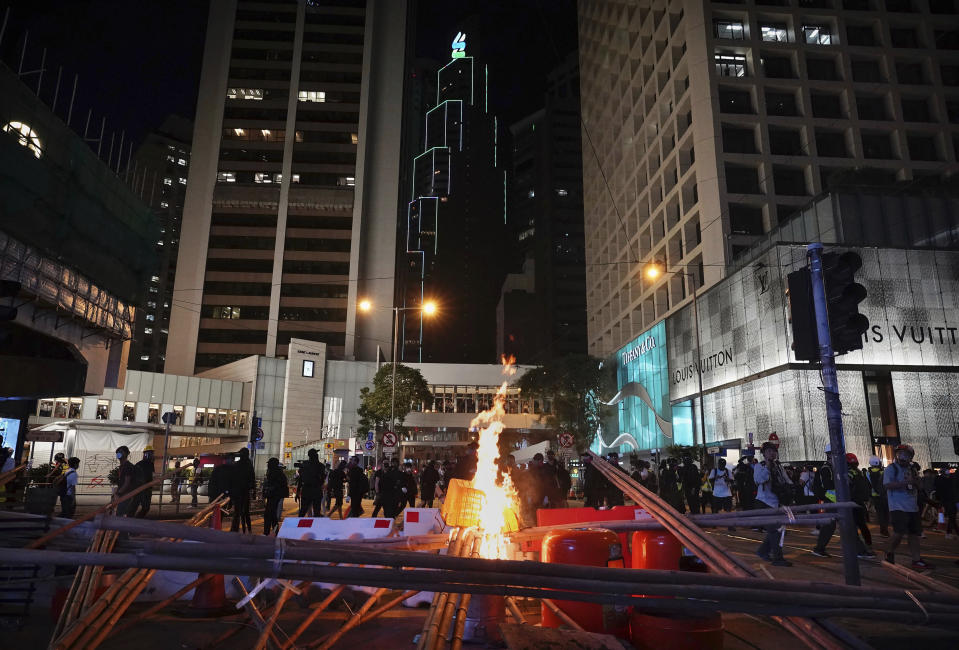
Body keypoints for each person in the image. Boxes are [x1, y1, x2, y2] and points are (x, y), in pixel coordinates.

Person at [884, 444, 933, 568]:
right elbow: (887, 485)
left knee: (913, 534)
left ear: (910, 457)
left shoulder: (912, 470)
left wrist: (917, 482)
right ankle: (889, 553)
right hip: (897, 506)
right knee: (898, 533)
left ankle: (916, 560)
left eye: (905, 454)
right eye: (900, 454)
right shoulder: (892, 468)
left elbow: (920, 487)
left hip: (912, 507)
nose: (902, 457)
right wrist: (906, 482)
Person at [752, 442, 792, 566]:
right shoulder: (760, 466)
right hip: (764, 502)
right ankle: (778, 558)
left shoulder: (779, 466)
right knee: (775, 531)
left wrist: (791, 489)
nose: (772, 453)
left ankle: (762, 551)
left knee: (778, 530)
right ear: (763, 453)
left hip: (776, 503)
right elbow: (759, 480)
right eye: (769, 451)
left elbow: (786, 481)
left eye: (773, 451)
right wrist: (768, 467)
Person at [229, 448, 255, 533]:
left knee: (238, 512)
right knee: (245, 512)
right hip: (245, 491)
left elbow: (233, 479)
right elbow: (252, 478)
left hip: (238, 491)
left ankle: (235, 529)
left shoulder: (238, 464)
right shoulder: (249, 464)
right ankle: (249, 530)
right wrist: (253, 490)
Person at [262, 457, 288, 535]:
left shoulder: (276, 473)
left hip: (274, 496)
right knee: (273, 516)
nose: (268, 465)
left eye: (269, 463)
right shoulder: (276, 472)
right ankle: (276, 532)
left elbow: (277, 485)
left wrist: (269, 489)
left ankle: (266, 532)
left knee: (268, 515)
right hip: (274, 496)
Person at [297, 449, 326, 517]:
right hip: (316, 490)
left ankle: (298, 526)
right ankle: (314, 526)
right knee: (316, 512)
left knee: (303, 510)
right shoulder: (320, 466)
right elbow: (322, 479)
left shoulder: (304, 464)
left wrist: (298, 491)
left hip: (306, 489)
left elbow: (300, 479)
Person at [866, 456, 889, 537]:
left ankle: (883, 530)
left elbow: (867, 485)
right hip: (884, 495)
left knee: (880, 514)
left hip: (874, 496)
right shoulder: (883, 472)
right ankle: (885, 529)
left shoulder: (867, 473)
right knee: (886, 513)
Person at [934, 467, 957, 538]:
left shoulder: (939, 479)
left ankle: (946, 530)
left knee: (949, 515)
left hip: (945, 499)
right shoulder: (945, 480)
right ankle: (948, 531)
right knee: (951, 515)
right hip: (948, 499)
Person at [115, 446, 137, 517]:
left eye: (121, 452)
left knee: (120, 514)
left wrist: (118, 493)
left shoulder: (127, 466)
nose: (119, 454)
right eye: (118, 452)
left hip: (126, 495)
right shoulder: (123, 466)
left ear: (127, 454)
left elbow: (127, 482)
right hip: (124, 494)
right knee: (121, 514)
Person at [133, 446, 156, 517]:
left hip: (146, 488)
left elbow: (152, 475)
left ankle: (136, 520)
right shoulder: (139, 464)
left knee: (145, 507)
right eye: (150, 453)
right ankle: (132, 520)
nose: (152, 455)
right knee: (135, 506)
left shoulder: (151, 464)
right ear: (145, 454)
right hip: (141, 488)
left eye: (152, 453)